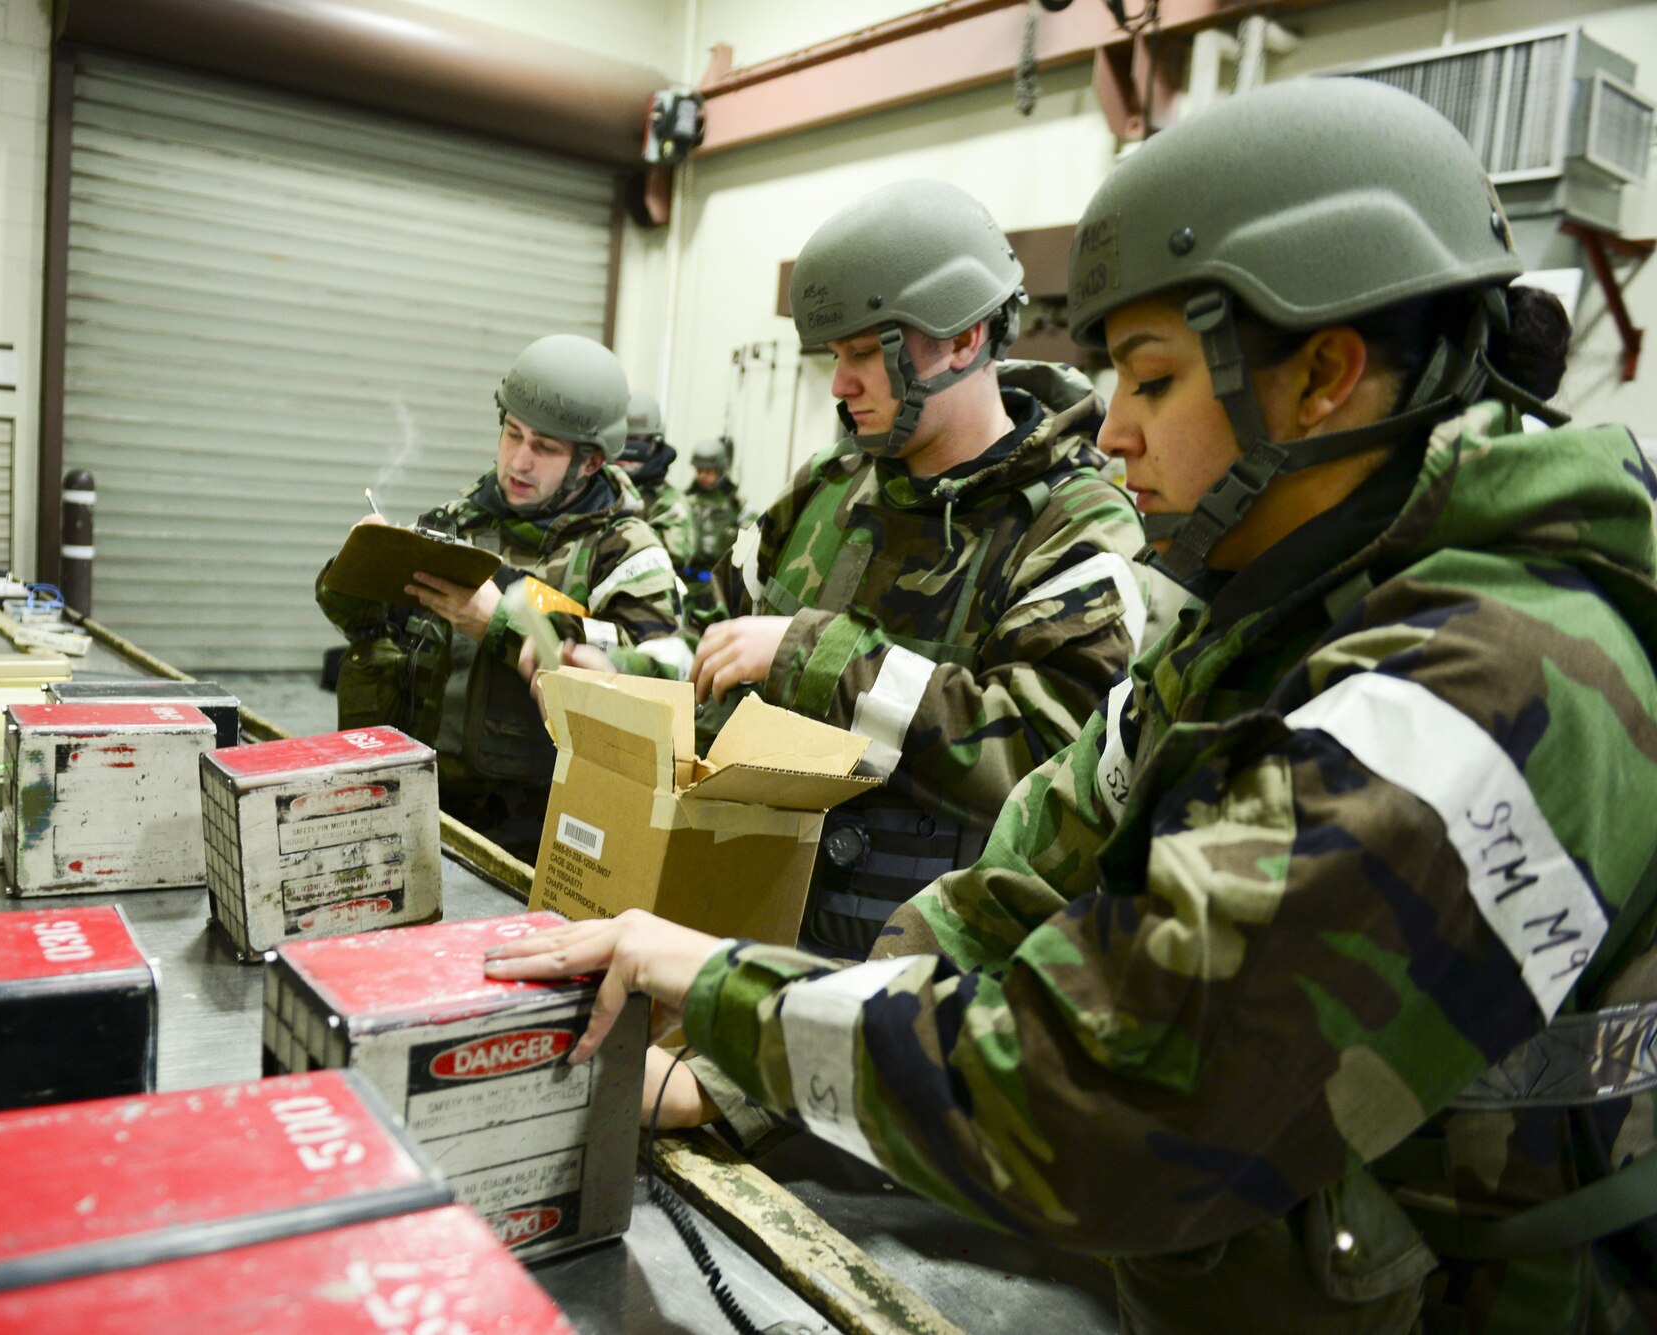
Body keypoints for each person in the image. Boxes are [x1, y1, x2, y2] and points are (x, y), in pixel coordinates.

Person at [486, 79, 1657, 1335]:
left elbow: (1118, 1097)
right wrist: (739, 1069)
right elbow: (1023, 880)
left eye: (1149, 383)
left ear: (1322, 375)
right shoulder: (1264, 613)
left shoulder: (1497, 686)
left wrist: (723, 990)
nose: (1111, 436)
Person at [579, 178, 1149, 960]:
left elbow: (1051, 758)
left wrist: (815, 656)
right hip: (740, 932)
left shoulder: (1075, 524)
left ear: (962, 339)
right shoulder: (826, 487)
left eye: (862, 354)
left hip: (921, 989)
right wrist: (610, 671)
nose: (840, 385)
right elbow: (713, 644)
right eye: (834, 355)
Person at [318, 334, 681, 861]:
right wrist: (363, 562)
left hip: (536, 832)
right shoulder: (458, 522)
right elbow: (363, 626)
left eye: (545, 448)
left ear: (590, 462)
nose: (519, 461)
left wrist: (500, 623)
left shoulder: (625, 553)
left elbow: (658, 677)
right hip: (417, 807)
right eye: (513, 435)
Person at [619, 389, 695, 571]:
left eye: (636, 440)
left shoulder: (669, 502)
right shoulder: (591, 484)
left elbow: (672, 556)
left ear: (654, 443)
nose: (627, 450)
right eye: (621, 440)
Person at [680, 436, 755, 594]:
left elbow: (753, 536)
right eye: (699, 470)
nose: (703, 476)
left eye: (709, 471)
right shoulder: (685, 502)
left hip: (720, 587)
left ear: (721, 470)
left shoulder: (736, 505)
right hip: (686, 583)